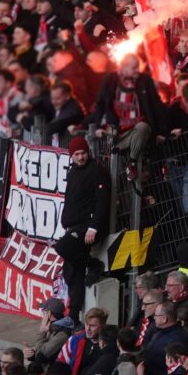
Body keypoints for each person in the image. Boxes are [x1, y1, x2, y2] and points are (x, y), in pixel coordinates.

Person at [56, 136, 109, 326]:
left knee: (62, 247)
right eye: (76, 154)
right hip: (74, 226)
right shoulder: (73, 171)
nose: (80, 157)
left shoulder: (96, 170)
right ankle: (73, 316)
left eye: (83, 153)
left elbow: (102, 202)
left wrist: (93, 227)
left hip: (87, 227)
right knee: (73, 271)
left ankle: (94, 265)